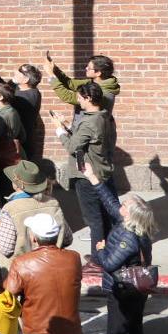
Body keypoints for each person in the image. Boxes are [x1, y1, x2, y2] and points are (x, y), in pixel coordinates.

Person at [84, 163, 155, 334]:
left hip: (123, 292)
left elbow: (109, 264)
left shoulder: (128, 237)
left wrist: (102, 248)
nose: (120, 206)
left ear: (130, 214)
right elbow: (110, 204)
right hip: (136, 291)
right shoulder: (135, 226)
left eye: (124, 205)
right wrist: (93, 177)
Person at [5, 213, 83, 334]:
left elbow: (8, 294)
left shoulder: (22, 263)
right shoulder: (74, 258)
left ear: (34, 238)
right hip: (71, 333)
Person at [54, 81, 116, 249]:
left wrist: (59, 131)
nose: (78, 100)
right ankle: (109, 249)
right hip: (103, 170)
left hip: (88, 175)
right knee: (105, 214)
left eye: (80, 97)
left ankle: (97, 258)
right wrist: (67, 124)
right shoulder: (105, 116)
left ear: (88, 98)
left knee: (93, 218)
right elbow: (87, 136)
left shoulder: (89, 122)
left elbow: (73, 147)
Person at [0, 161, 69, 262]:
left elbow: (5, 249)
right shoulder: (53, 203)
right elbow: (67, 238)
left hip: (21, 269)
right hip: (51, 263)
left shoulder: (10, 208)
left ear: (16, 185)